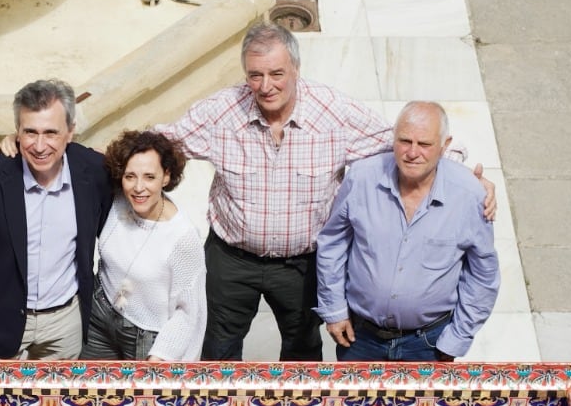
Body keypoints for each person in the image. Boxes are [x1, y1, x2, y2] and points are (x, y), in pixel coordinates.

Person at [156, 21, 494, 362]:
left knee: (303, 348)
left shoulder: (333, 112)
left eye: (277, 73)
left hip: (301, 264)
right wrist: (110, 163)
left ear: (296, 69)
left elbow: (402, 142)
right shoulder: (221, 112)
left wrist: (464, 178)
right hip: (231, 260)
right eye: (255, 75)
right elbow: (162, 142)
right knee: (218, 345)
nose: (266, 86)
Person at [0, 80, 112, 383]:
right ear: (17, 132)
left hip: (65, 322)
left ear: (70, 131)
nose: (40, 145)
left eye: (51, 132)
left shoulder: (95, 171)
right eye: (30, 132)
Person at [315, 102, 499, 362]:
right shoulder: (361, 179)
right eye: (404, 141)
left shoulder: (470, 195)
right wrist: (333, 310)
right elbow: (332, 244)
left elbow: (482, 275)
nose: (413, 152)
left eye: (424, 144)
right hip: (360, 337)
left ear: (445, 145)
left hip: (430, 343)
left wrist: (458, 337)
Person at [85, 130, 206, 361]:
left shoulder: (182, 238)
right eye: (130, 176)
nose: (138, 187)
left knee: (138, 398)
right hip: (99, 318)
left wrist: (161, 357)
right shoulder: (119, 199)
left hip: (145, 337)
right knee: (90, 394)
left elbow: (188, 313)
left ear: (167, 176)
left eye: (149, 177)